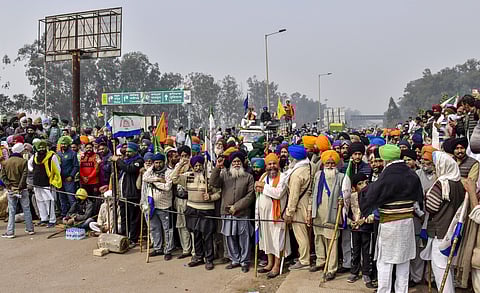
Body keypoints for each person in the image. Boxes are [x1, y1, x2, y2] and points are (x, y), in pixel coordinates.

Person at [360, 144, 423, 293]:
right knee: (404, 263)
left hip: (389, 224)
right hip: (407, 223)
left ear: (385, 159)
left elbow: (369, 197)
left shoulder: (386, 176)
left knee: (385, 263)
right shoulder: (412, 174)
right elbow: (419, 199)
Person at [422, 151, 466, 293]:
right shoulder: (458, 183)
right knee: (448, 268)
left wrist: (426, 196)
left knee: (441, 270)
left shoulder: (442, 183)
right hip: (452, 230)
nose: (435, 168)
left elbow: (431, 207)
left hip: (440, 231)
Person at [171, 155, 220, 270]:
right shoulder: (188, 176)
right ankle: (198, 257)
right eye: (195, 165)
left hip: (206, 210)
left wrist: (211, 197)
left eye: (200, 165)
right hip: (192, 208)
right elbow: (173, 178)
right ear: (192, 167)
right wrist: (180, 165)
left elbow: (219, 193)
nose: (198, 167)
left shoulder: (209, 177)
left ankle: (209, 259)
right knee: (196, 234)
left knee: (207, 235)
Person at [211, 151, 255, 273]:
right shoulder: (225, 175)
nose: (236, 164)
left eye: (238, 162)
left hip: (242, 212)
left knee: (244, 238)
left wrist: (236, 207)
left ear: (242, 163)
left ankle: (244, 261)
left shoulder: (248, 177)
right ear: (231, 163)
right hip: (226, 212)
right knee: (229, 237)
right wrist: (217, 168)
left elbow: (250, 195)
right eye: (234, 161)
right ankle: (235, 260)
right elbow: (213, 183)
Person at [255, 153, 290, 278]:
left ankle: (277, 265)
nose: (272, 166)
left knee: (277, 241)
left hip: (277, 215)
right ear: (266, 166)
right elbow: (259, 192)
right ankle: (269, 263)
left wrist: (263, 187)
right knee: (267, 239)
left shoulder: (283, 177)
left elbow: (278, 193)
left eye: (274, 163)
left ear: (278, 164)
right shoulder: (264, 176)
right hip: (264, 215)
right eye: (269, 164)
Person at [310, 150, 344, 280]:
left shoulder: (341, 177)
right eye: (327, 163)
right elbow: (313, 193)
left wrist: (342, 199)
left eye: (332, 163)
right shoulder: (318, 175)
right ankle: (321, 261)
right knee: (318, 237)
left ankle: (331, 268)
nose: (329, 166)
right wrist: (310, 212)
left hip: (332, 213)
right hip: (318, 211)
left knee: (332, 240)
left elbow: (345, 194)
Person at [284, 145, 313, 270]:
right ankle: (304, 256)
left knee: (301, 234)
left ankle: (304, 260)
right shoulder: (309, 166)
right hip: (307, 203)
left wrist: (289, 212)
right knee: (306, 233)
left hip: (299, 206)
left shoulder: (296, 174)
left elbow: (294, 195)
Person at [110, 142, 144, 248]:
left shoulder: (139, 161)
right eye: (127, 151)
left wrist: (118, 160)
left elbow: (129, 169)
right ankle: (124, 237)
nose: (127, 153)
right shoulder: (125, 160)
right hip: (123, 194)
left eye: (130, 151)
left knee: (133, 218)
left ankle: (133, 239)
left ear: (135, 151)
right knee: (124, 218)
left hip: (132, 195)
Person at [142, 153, 174, 260]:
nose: (158, 164)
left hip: (165, 205)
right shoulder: (151, 172)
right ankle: (158, 248)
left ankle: (168, 250)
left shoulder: (168, 172)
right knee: (154, 228)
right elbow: (145, 177)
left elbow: (167, 187)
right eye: (156, 162)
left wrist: (154, 182)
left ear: (163, 162)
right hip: (152, 205)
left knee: (167, 229)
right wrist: (158, 179)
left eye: (160, 162)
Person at [347, 172, 375, 288]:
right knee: (355, 250)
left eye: (366, 182)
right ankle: (354, 271)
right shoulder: (351, 197)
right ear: (354, 187)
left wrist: (365, 220)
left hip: (366, 229)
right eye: (360, 183)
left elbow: (375, 213)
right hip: (355, 229)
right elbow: (346, 213)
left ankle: (366, 273)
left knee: (367, 251)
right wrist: (350, 222)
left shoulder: (371, 196)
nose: (364, 185)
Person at [1, 143, 34, 238]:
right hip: (22, 189)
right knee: (26, 209)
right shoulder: (23, 162)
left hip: (11, 190)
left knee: (12, 211)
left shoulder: (6, 162)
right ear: (20, 151)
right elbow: (24, 176)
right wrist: (19, 187)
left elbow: (2, 176)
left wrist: (10, 186)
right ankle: (30, 229)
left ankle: (10, 232)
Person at [28, 140, 62, 228]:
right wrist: (33, 170)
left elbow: (57, 169)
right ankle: (44, 218)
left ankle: (52, 220)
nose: (42, 149)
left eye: (43, 147)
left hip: (48, 183)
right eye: (40, 148)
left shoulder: (52, 156)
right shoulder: (35, 156)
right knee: (39, 200)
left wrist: (54, 181)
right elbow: (29, 164)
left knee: (49, 201)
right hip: (37, 182)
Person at [172, 146, 193, 259]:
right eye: (182, 156)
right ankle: (186, 249)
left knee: (192, 227)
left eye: (186, 156)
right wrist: (180, 165)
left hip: (191, 199)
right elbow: (172, 178)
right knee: (181, 225)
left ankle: (195, 251)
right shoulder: (177, 166)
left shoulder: (194, 166)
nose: (184, 158)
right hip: (179, 200)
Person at [57, 136, 79, 218]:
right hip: (60, 179)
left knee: (71, 197)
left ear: (68, 144)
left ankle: (73, 214)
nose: (63, 145)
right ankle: (64, 214)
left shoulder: (73, 154)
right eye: (62, 144)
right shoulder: (58, 153)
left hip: (69, 179)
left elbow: (76, 166)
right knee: (62, 197)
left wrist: (71, 176)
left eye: (65, 144)